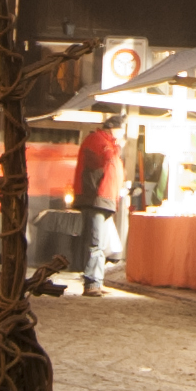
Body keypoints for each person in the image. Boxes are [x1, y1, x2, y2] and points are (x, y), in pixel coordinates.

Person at [73, 116, 126, 294]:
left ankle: (96, 281)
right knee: (95, 242)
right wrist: (116, 148)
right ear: (112, 128)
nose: (122, 133)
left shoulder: (106, 143)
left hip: (103, 199)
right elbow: (102, 161)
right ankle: (92, 284)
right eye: (121, 128)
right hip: (95, 198)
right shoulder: (97, 141)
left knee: (99, 243)